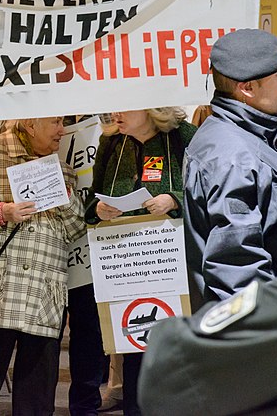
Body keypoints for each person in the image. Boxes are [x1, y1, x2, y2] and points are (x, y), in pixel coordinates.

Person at [0, 118, 85, 416]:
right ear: (31, 123)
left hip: (44, 298)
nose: (62, 130)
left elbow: (76, 229)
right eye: (56, 122)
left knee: (37, 400)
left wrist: (67, 198)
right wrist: (2, 211)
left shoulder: (62, 169)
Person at [183, 28, 277, 309]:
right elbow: (239, 270)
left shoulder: (243, 138)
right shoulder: (233, 157)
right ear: (247, 89)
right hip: (276, 331)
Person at [84, 106, 196, 416]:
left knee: (173, 348)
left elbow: (208, 191)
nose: (114, 114)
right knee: (134, 346)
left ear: (150, 107)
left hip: (170, 262)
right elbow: (92, 198)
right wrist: (99, 209)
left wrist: (174, 199)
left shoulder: (183, 137)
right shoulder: (113, 142)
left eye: (124, 106)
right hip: (126, 263)